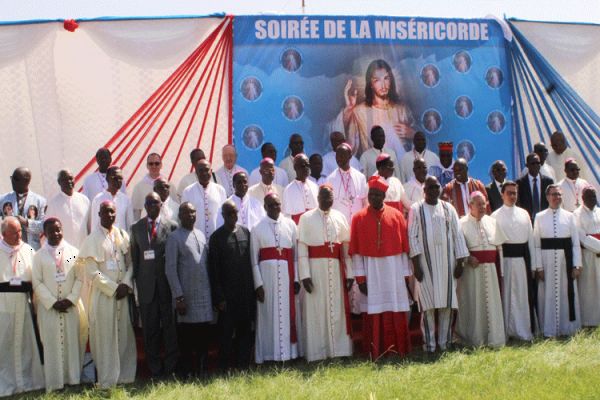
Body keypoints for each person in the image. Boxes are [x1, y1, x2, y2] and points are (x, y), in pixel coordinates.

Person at [349, 176, 412, 358]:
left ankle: (397, 349)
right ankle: (375, 350)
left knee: (394, 308)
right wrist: (360, 279)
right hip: (371, 271)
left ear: (384, 195)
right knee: (373, 311)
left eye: (377, 195)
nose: (373, 198)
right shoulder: (358, 218)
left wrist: (405, 275)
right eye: (371, 194)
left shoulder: (397, 216)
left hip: (393, 272)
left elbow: (403, 250)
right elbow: (357, 253)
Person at [78, 201, 136, 388]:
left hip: (122, 294)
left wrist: (126, 283)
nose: (109, 215)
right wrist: (113, 288)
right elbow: (92, 272)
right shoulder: (92, 239)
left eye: (112, 212)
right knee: (105, 338)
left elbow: (131, 263)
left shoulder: (122, 235)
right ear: (99, 214)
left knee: (124, 336)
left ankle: (125, 376)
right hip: (104, 296)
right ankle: (107, 379)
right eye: (106, 212)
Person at [408, 176, 469, 352]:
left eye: (437, 187)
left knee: (447, 306)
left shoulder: (448, 208)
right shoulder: (416, 209)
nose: (434, 190)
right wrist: (416, 266)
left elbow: (457, 235)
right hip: (425, 266)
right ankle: (430, 345)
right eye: (430, 188)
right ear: (424, 190)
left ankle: (445, 343)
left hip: (447, 265)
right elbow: (412, 237)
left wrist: (460, 263)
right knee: (427, 307)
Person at [298, 185, 354, 361]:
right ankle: (317, 353)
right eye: (323, 197)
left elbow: (345, 248)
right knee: (316, 310)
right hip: (315, 270)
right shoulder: (306, 218)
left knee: (336, 309)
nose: (327, 200)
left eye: (330, 197)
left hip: (336, 270)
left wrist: (350, 274)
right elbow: (302, 248)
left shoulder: (340, 217)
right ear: (318, 197)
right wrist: (304, 275)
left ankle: (339, 350)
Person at [32, 218, 84, 392]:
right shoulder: (38, 256)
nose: (55, 234)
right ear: (44, 234)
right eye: (51, 231)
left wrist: (71, 299)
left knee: (72, 343)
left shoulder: (75, 252)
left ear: (62, 230)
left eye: (58, 230)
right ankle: (55, 383)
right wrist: (52, 302)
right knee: (51, 343)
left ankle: (73, 379)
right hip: (49, 309)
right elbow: (37, 282)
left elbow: (80, 278)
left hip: (71, 306)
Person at [130, 193, 178, 378]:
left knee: (169, 329)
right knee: (150, 330)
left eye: (155, 203)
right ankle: (155, 369)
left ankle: (170, 368)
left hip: (166, 287)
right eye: (148, 203)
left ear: (161, 204)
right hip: (146, 288)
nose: (152, 206)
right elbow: (135, 261)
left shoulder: (171, 226)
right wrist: (137, 289)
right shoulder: (136, 228)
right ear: (144, 205)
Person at [165, 202, 213, 377]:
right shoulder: (174, 238)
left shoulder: (200, 234)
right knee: (187, 339)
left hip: (204, 295)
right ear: (180, 215)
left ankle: (201, 370)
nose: (191, 215)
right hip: (186, 298)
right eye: (187, 213)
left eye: (193, 212)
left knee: (203, 337)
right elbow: (170, 269)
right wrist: (178, 297)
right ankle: (187, 373)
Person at [251, 193, 300, 363]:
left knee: (287, 315)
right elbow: (253, 260)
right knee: (267, 316)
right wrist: (258, 284)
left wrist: (296, 279)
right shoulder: (257, 228)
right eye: (270, 205)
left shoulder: (291, 225)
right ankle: (268, 354)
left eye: (277, 204)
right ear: (265, 207)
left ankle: (288, 354)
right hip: (267, 280)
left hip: (287, 277)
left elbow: (296, 256)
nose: (275, 208)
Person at [333, 59, 415, 159]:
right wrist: (348, 110)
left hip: (400, 167)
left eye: (386, 78)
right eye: (377, 80)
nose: (383, 85)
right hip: (373, 166)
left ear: (391, 80)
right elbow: (347, 142)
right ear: (370, 84)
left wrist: (412, 134)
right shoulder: (360, 112)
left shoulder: (402, 109)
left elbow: (420, 143)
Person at [208, 200, 256, 371]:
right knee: (226, 334)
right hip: (227, 297)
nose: (233, 216)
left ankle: (243, 366)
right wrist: (219, 297)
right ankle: (223, 368)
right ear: (223, 216)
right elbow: (213, 271)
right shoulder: (216, 237)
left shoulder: (246, 233)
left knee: (245, 332)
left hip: (245, 295)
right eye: (229, 214)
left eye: (235, 213)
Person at [0, 217, 44, 396]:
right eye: (14, 232)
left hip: (24, 304)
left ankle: (27, 381)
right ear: (3, 234)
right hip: (4, 306)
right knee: (5, 345)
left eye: (20, 231)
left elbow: (36, 277)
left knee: (25, 345)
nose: (19, 235)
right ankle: (6, 383)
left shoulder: (28, 250)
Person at [457, 191, 507, 348]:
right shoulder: (461, 223)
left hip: (491, 270)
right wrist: (467, 257)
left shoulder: (492, 222)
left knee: (491, 303)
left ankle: (494, 338)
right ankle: (473, 339)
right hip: (472, 271)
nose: (482, 207)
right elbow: (458, 247)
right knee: (474, 303)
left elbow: (499, 249)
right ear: (470, 205)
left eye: (484, 204)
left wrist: (502, 271)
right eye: (479, 204)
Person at [533, 184, 582, 338]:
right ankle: (549, 330)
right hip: (546, 261)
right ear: (547, 197)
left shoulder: (570, 216)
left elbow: (575, 242)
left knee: (566, 294)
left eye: (559, 195)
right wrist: (539, 267)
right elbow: (536, 244)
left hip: (565, 261)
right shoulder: (539, 217)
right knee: (547, 295)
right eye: (553, 194)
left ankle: (568, 328)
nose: (556, 197)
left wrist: (577, 265)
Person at [492, 181, 536, 340]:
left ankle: (523, 329)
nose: (512, 196)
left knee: (521, 295)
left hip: (522, 262)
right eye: (509, 193)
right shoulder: (495, 216)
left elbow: (531, 240)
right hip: (504, 262)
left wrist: (534, 266)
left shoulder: (524, 214)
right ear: (502, 194)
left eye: (514, 193)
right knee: (506, 295)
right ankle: (506, 330)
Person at [0, 167, 46, 250]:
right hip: (8, 249)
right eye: (12, 178)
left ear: (26, 181)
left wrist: (26, 222)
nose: (12, 181)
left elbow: (43, 226)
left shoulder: (40, 201)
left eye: (16, 179)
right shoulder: (2, 199)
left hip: (31, 249)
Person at [573, 187, 600, 327]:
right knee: (589, 289)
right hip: (588, 255)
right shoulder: (577, 215)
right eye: (589, 197)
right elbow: (582, 237)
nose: (593, 200)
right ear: (583, 198)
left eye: (594, 197)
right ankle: (590, 321)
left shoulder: (599, 211)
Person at [181, 159, 227, 239]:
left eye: (206, 170)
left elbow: (225, 215)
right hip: (195, 238)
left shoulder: (220, 190)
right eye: (201, 170)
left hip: (217, 237)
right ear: (196, 173)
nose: (204, 173)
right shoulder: (188, 191)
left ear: (211, 171)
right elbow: (184, 218)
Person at [46, 169, 90, 249]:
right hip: (64, 252)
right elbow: (49, 229)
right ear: (59, 182)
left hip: (83, 250)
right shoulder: (53, 204)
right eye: (65, 179)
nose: (69, 181)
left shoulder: (84, 200)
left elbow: (90, 226)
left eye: (70, 178)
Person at [326, 143, 368, 225]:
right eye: (337, 155)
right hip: (339, 224)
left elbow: (365, 202)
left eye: (342, 155)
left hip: (358, 222)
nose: (339, 158)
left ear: (350, 156)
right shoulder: (330, 179)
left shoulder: (360, 177)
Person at [90, 166, 134, 232]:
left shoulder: (126, 200)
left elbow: (130, 225)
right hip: (103, 240)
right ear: (107, 179)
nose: (118, 181)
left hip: (121, 240)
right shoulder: (98, 199)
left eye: (120, 178)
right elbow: (95, 225)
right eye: (115, 178)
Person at [131, 153, 172, 220]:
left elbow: (174, 207)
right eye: (151, 164)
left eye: (157, 163)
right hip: (145, 226)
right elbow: (136, 212)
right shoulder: (139, 187)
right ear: (147, 166)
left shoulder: (169, 186)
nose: (154, 166)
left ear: (161, 165)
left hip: (166, 225)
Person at [516, 153, 554, 223]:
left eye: (538, 163)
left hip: (545, 220)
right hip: (527, 221)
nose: (536, 165)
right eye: (533, 163)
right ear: (527, 165)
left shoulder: (548, 182)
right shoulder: (520, 183)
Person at [282, 154, 319, 224]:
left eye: (308, 165)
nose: (306, 168)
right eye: (303, 166)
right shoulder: (288, 189)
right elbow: (287, 215)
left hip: (314, 225)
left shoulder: (314, 186)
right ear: (295, 167)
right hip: (298, 227)